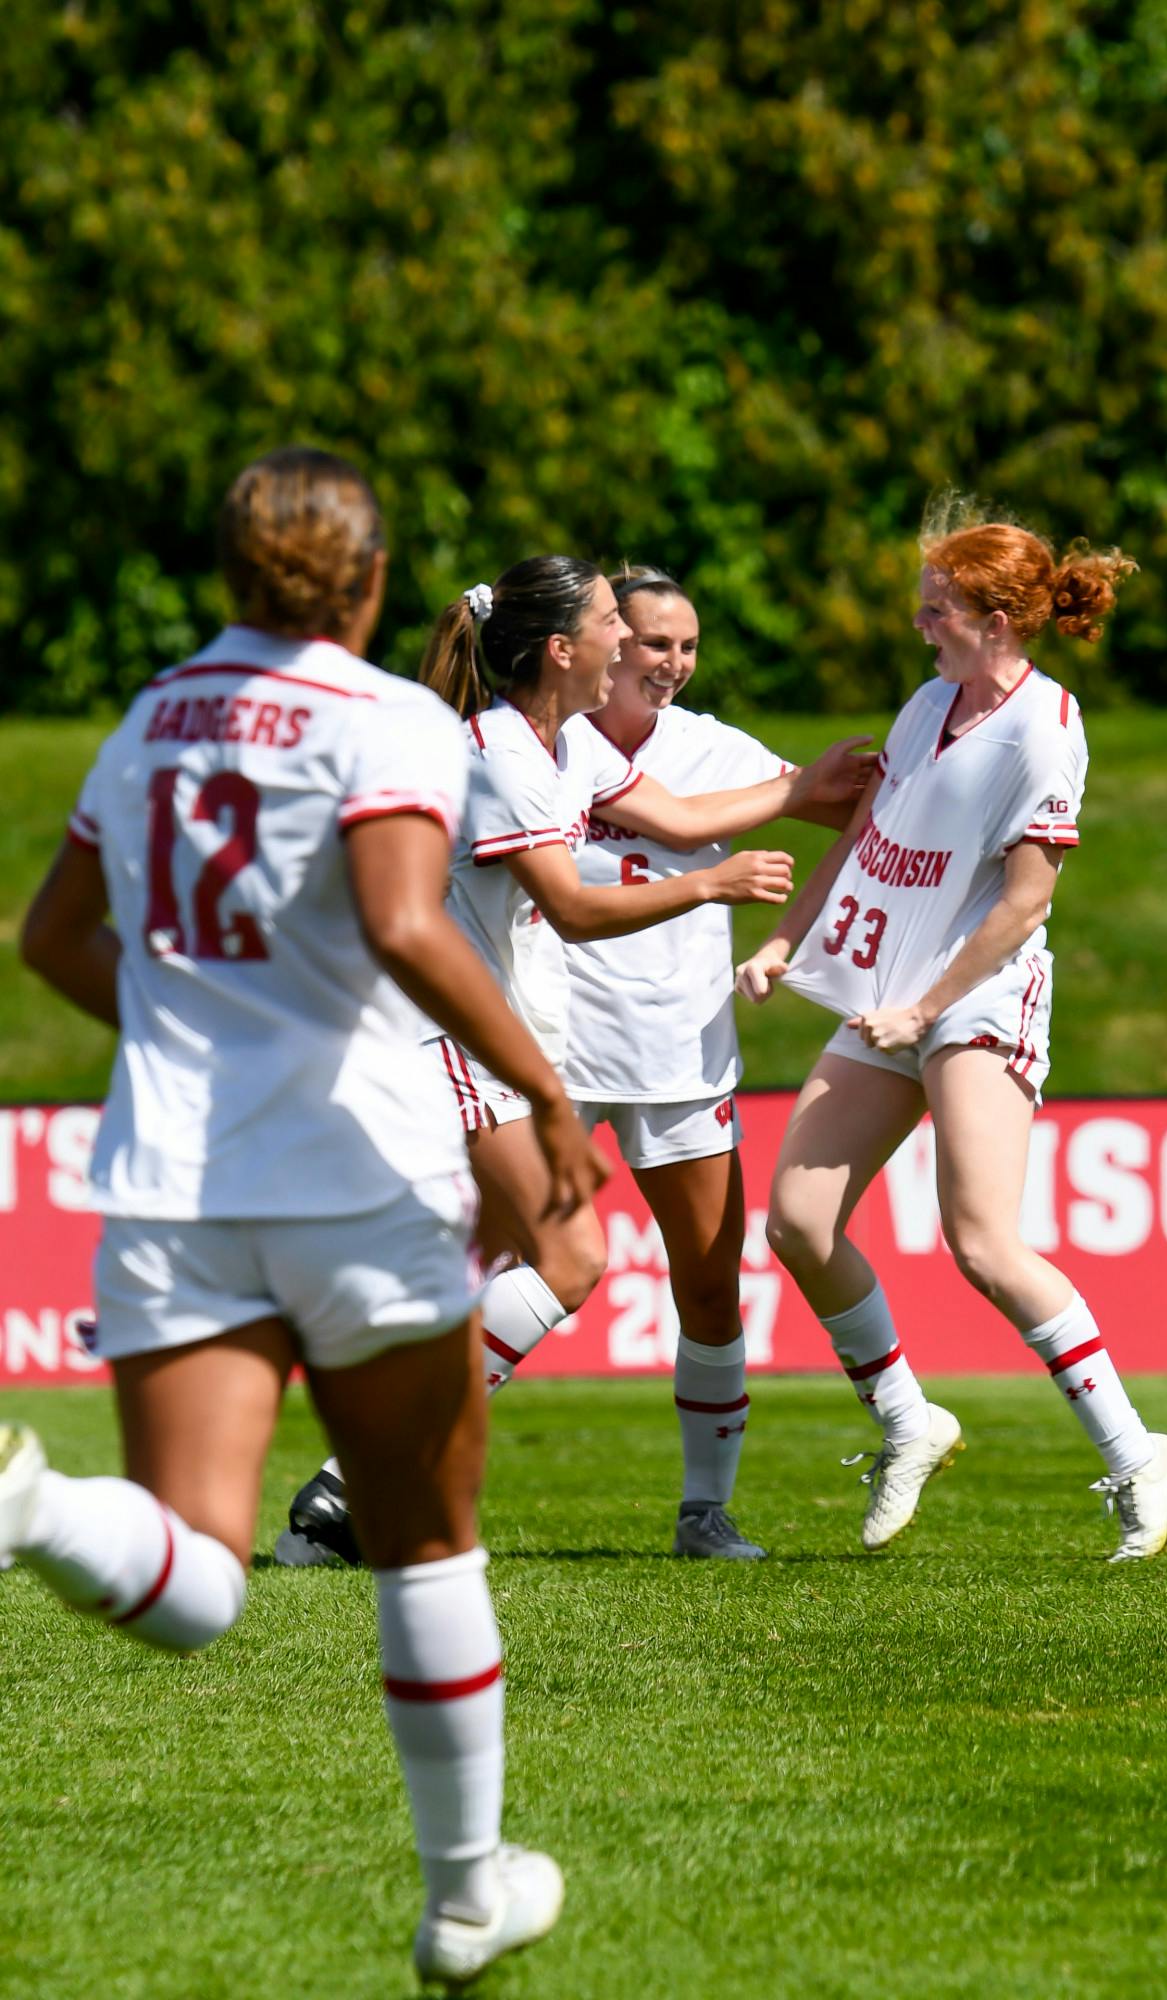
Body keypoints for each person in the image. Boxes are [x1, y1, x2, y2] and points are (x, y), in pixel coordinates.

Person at [2, 448, 609, 1988]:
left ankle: (24, 1509)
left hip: (171, 1182)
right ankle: (467, 1890)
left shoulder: (147, 721)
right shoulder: (388, 716)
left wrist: (193, 1031)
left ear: (229, 575)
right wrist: (537, 1091)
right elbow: (406, 921)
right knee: (422, 1542)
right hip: (355, 1170)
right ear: (368, 581)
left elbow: (54, 941)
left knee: (195, 1576)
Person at [278, 556, 871, 1568]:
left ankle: (343, 1499)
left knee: (519, 1268)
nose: (632, 644)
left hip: (502, 1042)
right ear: (563, 650)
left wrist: (812, 787)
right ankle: (360, 1475)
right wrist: (710, 889)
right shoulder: (501, 752)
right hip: (451, 1038)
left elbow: (681, 816)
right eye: (611, 622)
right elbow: (572, 904)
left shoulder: (561, 744)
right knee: (566, 1258)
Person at [736, 506, 1167, 1562]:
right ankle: (909, 1420)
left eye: (935, 607)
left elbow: (1022, 906)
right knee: (799, 1223)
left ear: (996, 620)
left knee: (983, 1242)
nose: (918, 622)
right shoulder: (928, 701)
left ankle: (1136, 1452)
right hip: (891, 992)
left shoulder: (1046, 728)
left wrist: (925, 1007)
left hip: (976, 999)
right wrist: (783, 940)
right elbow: (866, 834)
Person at [558, 565, 870, 1559]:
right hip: (551, 1046)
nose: (673, 664)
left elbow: (853, 815)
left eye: (687, 646)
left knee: (706, 1285)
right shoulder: (542, 744)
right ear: (605, 641)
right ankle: (367, 1482)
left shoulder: (714, 750)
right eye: (654, 642)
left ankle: (705, 1511)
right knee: (510, 1267)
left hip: (679, 1051)